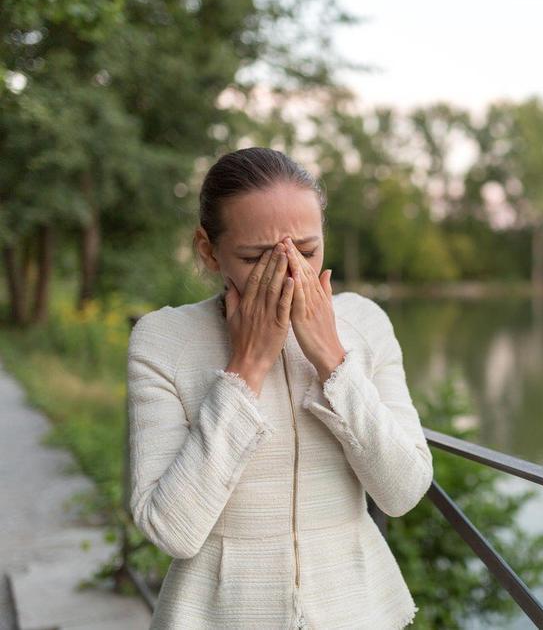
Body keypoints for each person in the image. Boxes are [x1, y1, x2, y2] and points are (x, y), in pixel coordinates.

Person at [126, 147, 433, 629]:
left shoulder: (366, 324)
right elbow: (172, 529)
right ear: (208, 250)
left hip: (357, 611)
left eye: (307, 251)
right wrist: (245, 369)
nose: (290, 273)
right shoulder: (162, 340)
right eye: (256, 258)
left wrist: (333, 360)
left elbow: (403, 491)